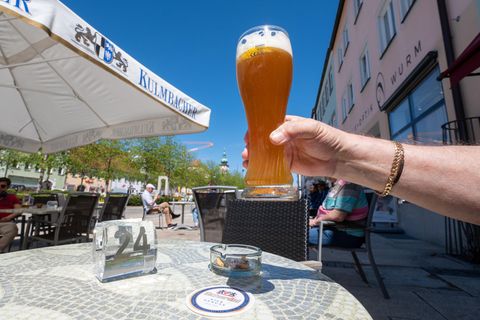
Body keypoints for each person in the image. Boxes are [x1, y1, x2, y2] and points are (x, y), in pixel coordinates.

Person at [242, 115, 480, 226]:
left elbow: (338, 216)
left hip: (344, 234)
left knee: (294, 234)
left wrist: (313, 222)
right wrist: (340, 158)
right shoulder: (339, 183)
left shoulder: (347, 185)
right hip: (332, 226)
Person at [308, 178, 368, 247]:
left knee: (297, 235)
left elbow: (338, 216)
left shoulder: (349, 185)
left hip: (348, 235)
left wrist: (315, 221)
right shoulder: (338, 185)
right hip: (333, 229)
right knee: (297, 231)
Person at [0, 177, 21, 253]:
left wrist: (8, 217)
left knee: (13, 228)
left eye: (2, 186)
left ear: (7, 187)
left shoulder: (12, 197)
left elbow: (18, 210)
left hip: (5, 222)